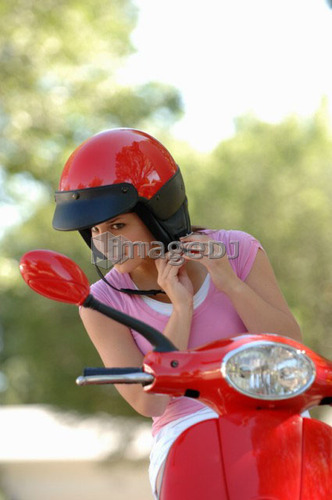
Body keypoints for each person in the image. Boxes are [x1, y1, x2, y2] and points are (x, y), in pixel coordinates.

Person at [52, 128, 302, 498]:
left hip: (267, 411)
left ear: (159, 213)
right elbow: (149, 401)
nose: (106, 244)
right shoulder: (101, 303)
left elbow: (293, 349)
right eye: (96, 231)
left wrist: (231, 284)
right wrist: (181, 309)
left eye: (118, 225)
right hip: (187, 430)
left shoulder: (236, 249)